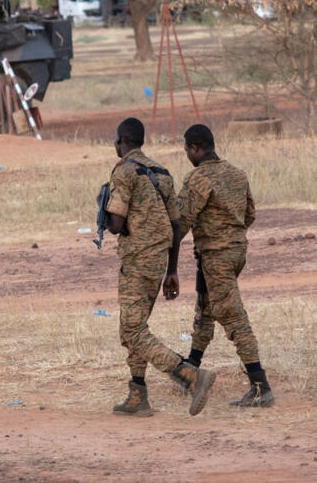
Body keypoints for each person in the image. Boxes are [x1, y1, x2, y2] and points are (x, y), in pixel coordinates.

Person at [104, 117, 216, 417]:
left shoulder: (124, 172)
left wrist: (103, 212)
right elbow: (176, 225)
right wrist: (172, 270)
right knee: (134, 326)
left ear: (120, 140)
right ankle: (137, 394)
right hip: (157, 263)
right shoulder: (161, 173)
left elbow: (115, 224)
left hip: (137, 261)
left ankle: (189, 376)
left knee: (132, 329)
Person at [168, 123, 274, 407]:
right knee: (205, 308)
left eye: (186, 149)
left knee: (234, 318)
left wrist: (169, 263)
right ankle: (190, 369)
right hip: (236, 252)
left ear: (194, 148)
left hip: (216, 256)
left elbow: (182, 224)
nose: (187, 154)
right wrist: (231, 234)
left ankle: (260, 385)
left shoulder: (197, 179)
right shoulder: (238, 174)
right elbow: (249, 213)